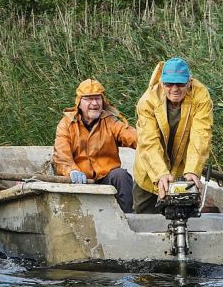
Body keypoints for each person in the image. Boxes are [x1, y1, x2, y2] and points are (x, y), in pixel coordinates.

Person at [132, 57, 213, 214]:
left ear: (189, 82)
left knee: (183, 219)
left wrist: (192, 170)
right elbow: (149, 142)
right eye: (169, 84)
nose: (174, 89)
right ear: (162, 83)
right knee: (143, 219)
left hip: (182, 171)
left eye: (180, 84)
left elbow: (201, 136)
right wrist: (160, 174)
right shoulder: (147, 101)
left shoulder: (201, 96)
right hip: (149, 172)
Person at [53, 79, 138, 213]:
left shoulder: (110, 121)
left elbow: (132, 137)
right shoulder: (66, 124)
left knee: (121, 175)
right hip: (78, 182)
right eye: (89, 99)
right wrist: (72, 171)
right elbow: (61, 156)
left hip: (106, 178)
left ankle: (126, 218)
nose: (94, 103)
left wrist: (150, 143)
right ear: (79, 103)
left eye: (98, 99)